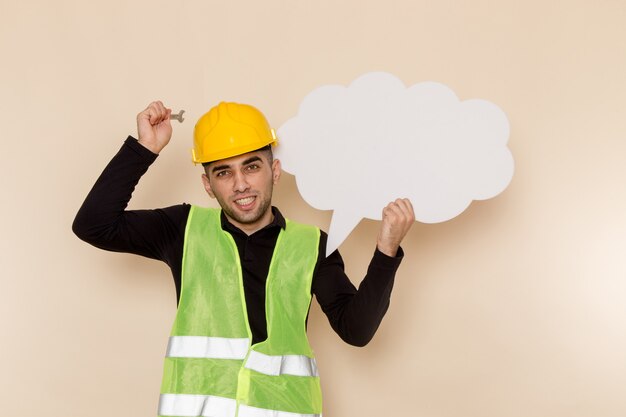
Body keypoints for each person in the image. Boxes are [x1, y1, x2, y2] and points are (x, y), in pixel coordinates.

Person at [73, 100, 415, 417]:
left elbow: (356, 330)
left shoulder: (311, 245)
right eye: (223, 172)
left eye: (251, 166)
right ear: (208, 185)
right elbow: (93, 224)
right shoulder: (182, 229)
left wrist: (386, 251)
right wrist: (143, 148)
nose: (240, 184)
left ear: (274, 170)